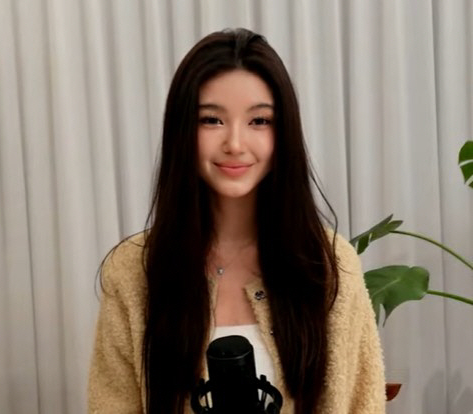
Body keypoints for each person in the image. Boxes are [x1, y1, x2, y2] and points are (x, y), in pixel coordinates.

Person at [88, 28, 386, 414]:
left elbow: (364, 403)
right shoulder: (133, 271)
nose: (235, 143)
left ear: (284, 132)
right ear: (182, 131)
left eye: (259, 121)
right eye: (211, 120)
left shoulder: (329, 265)